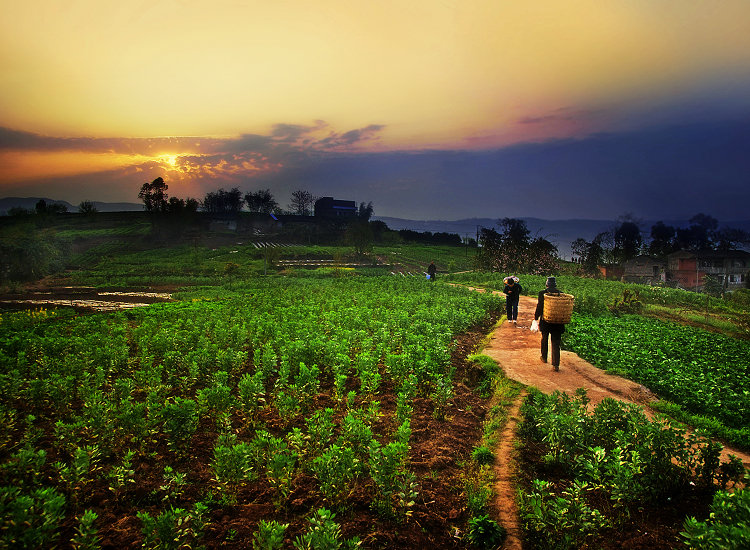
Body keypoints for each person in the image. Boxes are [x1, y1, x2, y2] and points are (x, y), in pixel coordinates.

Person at [534, 276, 565, 371]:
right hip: (558, 322)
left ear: (546, 284)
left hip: (546, 321)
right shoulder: (561, 294)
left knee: (544, 338)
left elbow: (540, 306)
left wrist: (536, 317)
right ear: (555, 285)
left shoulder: (542, 293)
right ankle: (556, 364)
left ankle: (544, 357)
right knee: (556, 342)